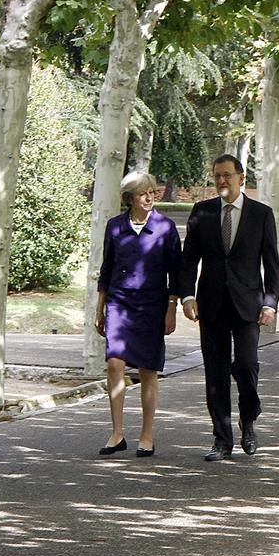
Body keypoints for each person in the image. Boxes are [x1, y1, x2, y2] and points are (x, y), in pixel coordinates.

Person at [180, 154, 279, 461]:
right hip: (210, 305)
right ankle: (222, 439)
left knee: (247, 365)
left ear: (241, 178)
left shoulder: (261, 214)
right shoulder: (202, 212)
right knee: (216, 373)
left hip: (248, 304)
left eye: (227, 175)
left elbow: (272, 265)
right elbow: (188, 260)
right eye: (217, 176)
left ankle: (248, 419)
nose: (222, 181)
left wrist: (270, 303)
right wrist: (187, 297)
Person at [95, 172, 181, 457]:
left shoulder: (165, 228)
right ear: (130, 197)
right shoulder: (115, 226)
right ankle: (117, 433)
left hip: (152, 304)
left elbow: (176, 274)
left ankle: (147, 435)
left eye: (152, 192)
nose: (149, 197)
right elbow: (106, 268)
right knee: (114, 364)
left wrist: (172, 309)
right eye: (142, 193)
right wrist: (100, 308)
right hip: (119, 302)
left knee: (147, 370)